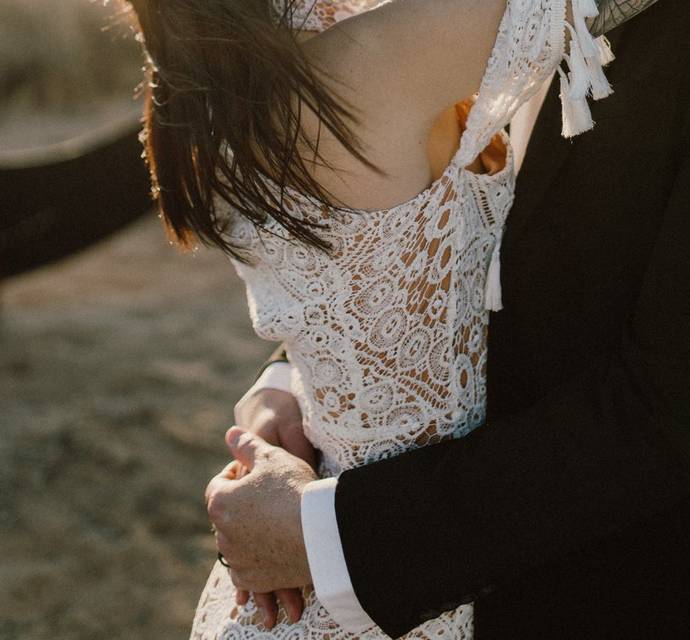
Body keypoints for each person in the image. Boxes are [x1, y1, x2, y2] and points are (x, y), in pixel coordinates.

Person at [204, 0, 690, 638]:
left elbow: (667, 416)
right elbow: (427, 249)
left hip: (660, 600)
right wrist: (298, 382)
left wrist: (329, 538)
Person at [128, 0, 660, 637]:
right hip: (389, 567)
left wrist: (279, 384)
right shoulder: (365, 60)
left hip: (345, 545)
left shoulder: (237, 81)